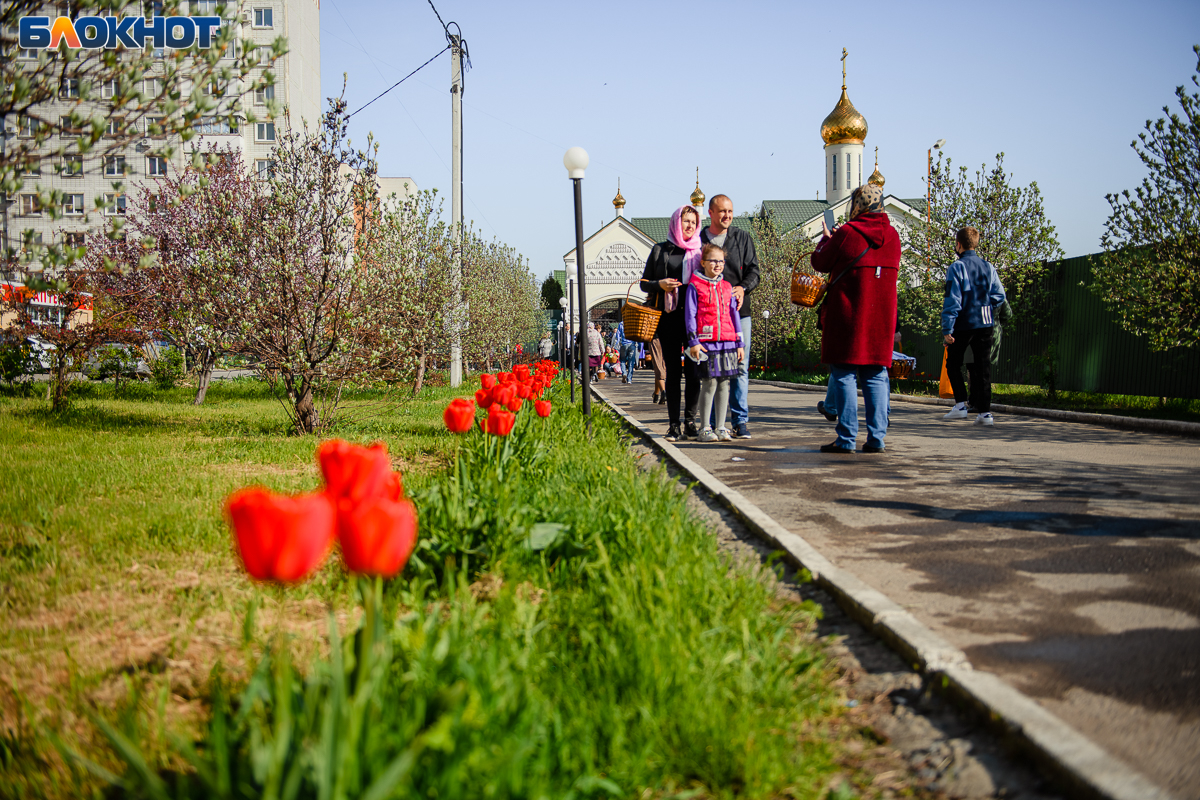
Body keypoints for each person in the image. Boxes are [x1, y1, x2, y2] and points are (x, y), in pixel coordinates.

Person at [812, 183, 901, 453]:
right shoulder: (893, 236)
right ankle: (876, 439)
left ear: (857, 205)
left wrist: (827, 238)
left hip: (848, 316)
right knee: (875, 374)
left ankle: (846, 439)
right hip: (881, 318)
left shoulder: (848, 233)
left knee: (844, 373)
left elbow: (820, 262)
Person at [640, 205, 703, 441]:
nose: (689, 226)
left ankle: (690, 421)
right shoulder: (660, 250)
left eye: (693, 222)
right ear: (676, 222)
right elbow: (644, 283)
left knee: (695, 372)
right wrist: (660, 284)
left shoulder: (700, 251)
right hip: (668, 319)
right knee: (673, 373)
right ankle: (674, 425)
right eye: (685, 221)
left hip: (694, 321)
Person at [700, 194, 759, 439]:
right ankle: (713, 423)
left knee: (740, 367)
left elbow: (755, 270)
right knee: (712, 370)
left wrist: (743, 287)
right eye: (722, 211)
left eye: (730, 212)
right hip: (709, 316)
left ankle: (740, 420)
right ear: (711, 213)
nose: (727, 216)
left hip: (738, 314)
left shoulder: (742, 238)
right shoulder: (699, 239)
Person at [941, 226, 1007, 426]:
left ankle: (961, 405)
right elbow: (999, 296)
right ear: (976, 243)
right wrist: (986, 306)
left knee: (953, 363)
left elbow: (952, 300)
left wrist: (947, 329)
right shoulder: (988, 267)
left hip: (964, 321)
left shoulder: (957, 267)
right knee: (982, 367)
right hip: (985, 322)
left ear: (958, 244)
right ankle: (985, 413)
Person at [685, 243, 744, 442]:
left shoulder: (727, 287)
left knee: (724, 383)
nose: (718, 264)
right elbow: (690, 314)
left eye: (721, 261)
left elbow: (734, 314)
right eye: (713, 261)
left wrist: (740, 342)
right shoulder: (695, 286)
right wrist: (693, 340)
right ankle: (705, 428)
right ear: (703, 263)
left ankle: (721, 427)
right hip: (705, 343)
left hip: (727, 342)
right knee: (708, 383)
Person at [649, 335, 667, 404]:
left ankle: (663, 392)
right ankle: (656, 394)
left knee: (658, 367)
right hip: (667, 339)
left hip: (655, 339)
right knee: (660, 367)